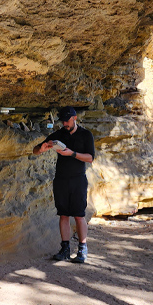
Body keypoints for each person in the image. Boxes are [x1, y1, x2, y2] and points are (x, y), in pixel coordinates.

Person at [33, 106, 95, 263]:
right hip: (61, 180)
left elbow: (90, 157)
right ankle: (65, 248)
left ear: (74, 118)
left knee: (79, 215)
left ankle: (82, 248)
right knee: (63, 214)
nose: (65, 124)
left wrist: (72, 153)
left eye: (67, 121)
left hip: (78, 180)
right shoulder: (59, 134)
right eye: (63, 121)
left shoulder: (86, 135)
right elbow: (35, 150)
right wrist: (42, 148)